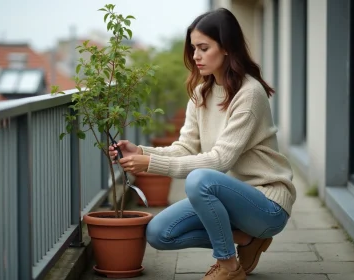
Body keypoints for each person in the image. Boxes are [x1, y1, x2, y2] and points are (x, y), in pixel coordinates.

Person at [109, 7, 296, 280]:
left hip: (266, 205)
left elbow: (220, 161)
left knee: (200, 180)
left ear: (227, 48)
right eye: (193, 48)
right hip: (228, 201)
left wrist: (149, 164)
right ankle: (245, 240)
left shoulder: (249, 94)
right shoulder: (201, 93)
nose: (195, 56)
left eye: (203, 48)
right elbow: (185, 147)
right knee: (159, 233)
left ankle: (229, 265)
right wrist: (141, 151)